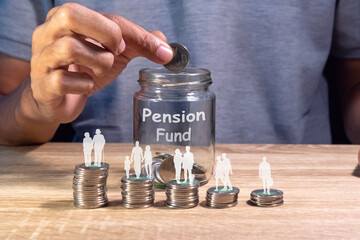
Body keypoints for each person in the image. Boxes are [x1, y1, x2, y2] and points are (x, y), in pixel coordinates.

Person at [0, 2, 359, 145]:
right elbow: (7, 106)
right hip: (115, 200)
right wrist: (35, 103)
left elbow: (354, 84)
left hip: (298, 193)